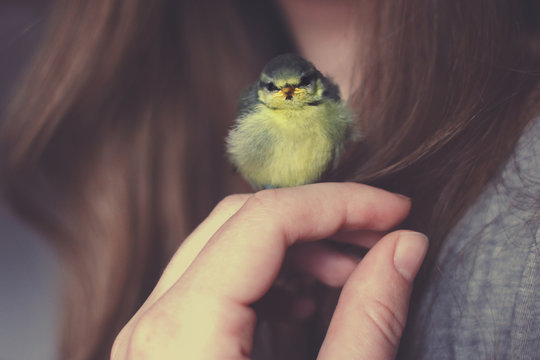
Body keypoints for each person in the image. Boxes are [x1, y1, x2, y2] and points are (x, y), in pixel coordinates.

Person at [1, 0, 539, 359]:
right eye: (274, 91)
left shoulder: (521, 224)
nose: (286, 98)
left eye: (297, 89)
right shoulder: (156, 162)